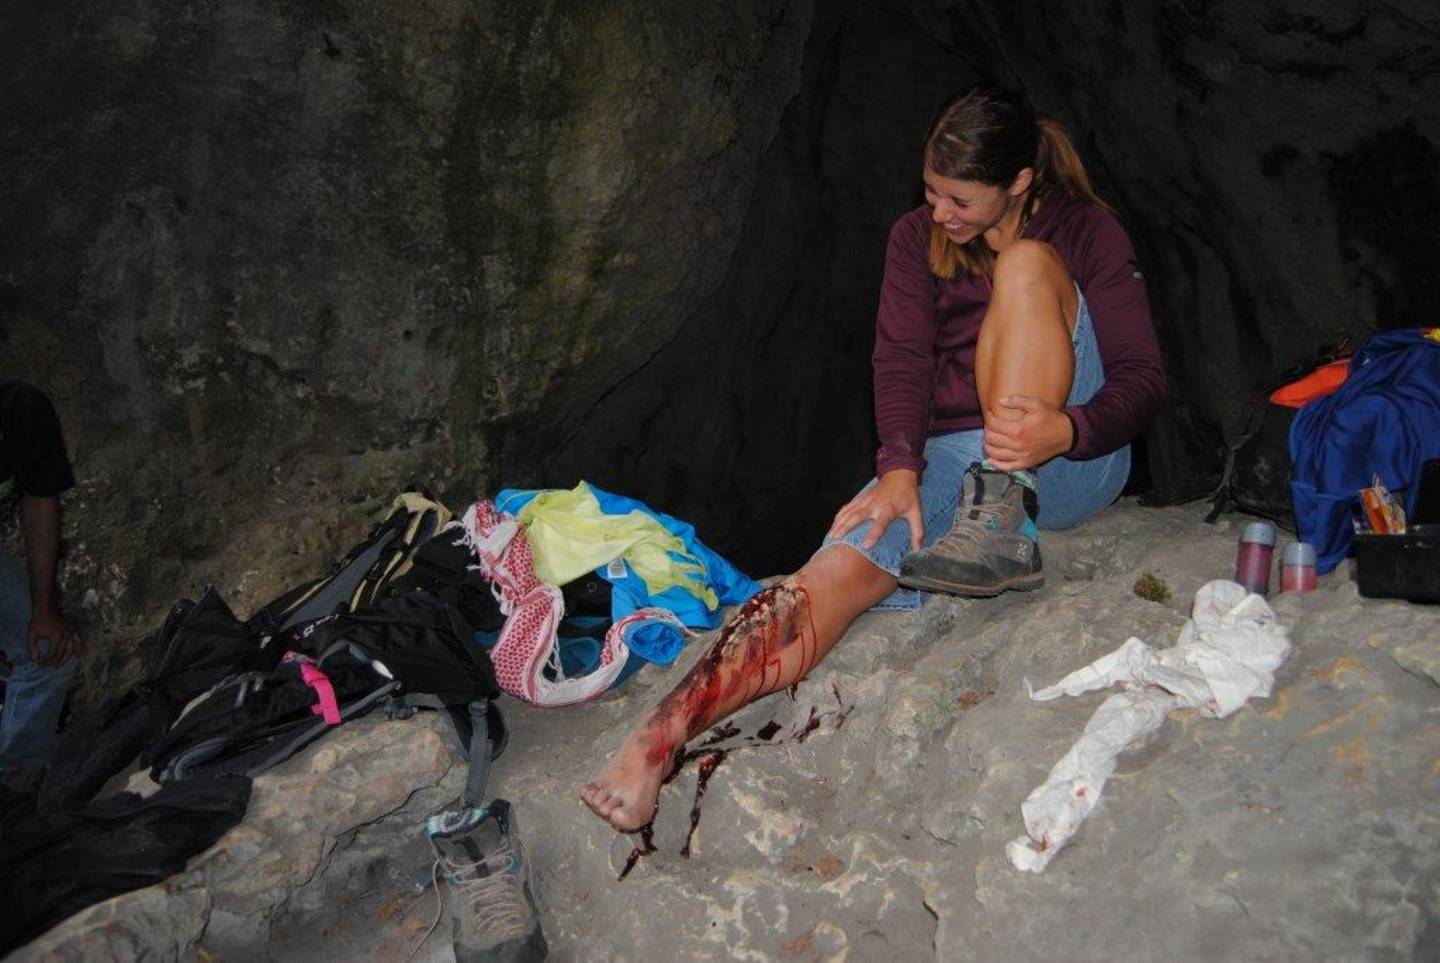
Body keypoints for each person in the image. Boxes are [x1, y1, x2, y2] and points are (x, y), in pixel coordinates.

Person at [581, 86, 1165, 832]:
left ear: (1019, 181)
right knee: (837, 566)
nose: (939, 211)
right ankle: (661, 735)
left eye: (959, 199)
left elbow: (1143, 380)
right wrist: (899, 470)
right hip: (959, 455)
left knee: (1025, 266)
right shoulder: (915, 239)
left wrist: (1070, 430)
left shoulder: (1084, 229)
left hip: (1072, 459)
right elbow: (901, 361)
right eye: (930, 190)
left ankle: (1003, 516)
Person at [0, 380, 81, 790]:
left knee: (49, 652)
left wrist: (43, 610)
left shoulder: (24, 411)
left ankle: (13, 780)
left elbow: (40, 501)